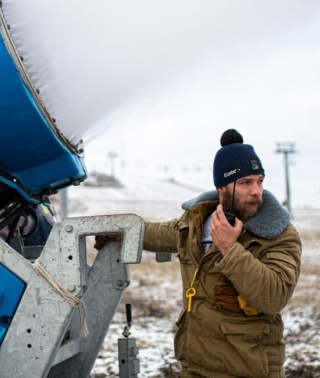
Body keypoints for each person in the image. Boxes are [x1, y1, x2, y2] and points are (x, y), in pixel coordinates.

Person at [98, 128, 301, 378]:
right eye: (246, 183)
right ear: (222, 188)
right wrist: (120, 232)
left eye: (260, 181)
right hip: (194, 366)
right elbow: (157, 233)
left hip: (248, 369)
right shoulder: (195, 224)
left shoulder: (279, 234)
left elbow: (275, 296)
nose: (257, 191)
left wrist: (229, 248)